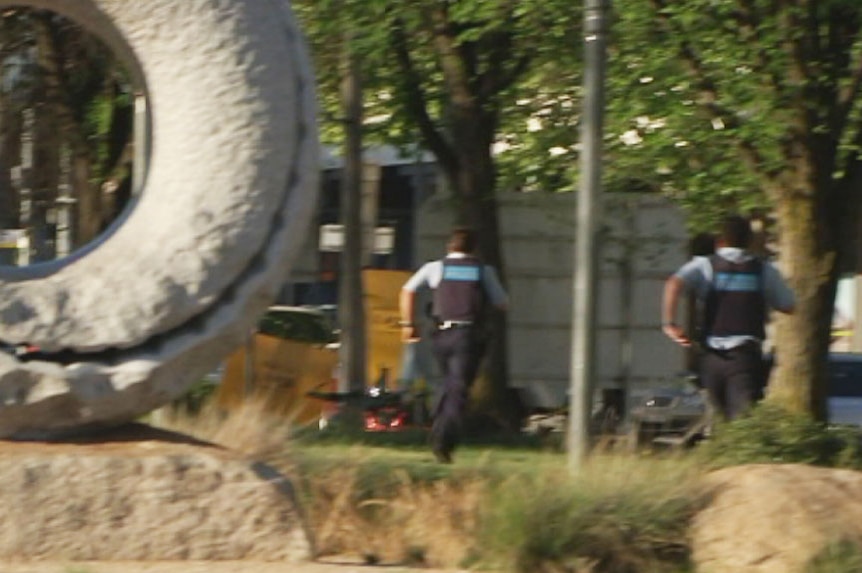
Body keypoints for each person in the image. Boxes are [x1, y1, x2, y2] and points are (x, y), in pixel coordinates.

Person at [661, 215, 794, 421]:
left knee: (714, 420)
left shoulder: (705, 266)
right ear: (750, 241)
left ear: (719, 241)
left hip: (710, 358)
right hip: (745, 358)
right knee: (742, 422)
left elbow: (673, 283)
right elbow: (789, 306)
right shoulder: (764, 270)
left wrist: (670, 323)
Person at [399, 227, 508, 463]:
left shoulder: (434, 268)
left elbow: (407, 290)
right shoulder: (483, 271)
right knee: (457, 389)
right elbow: (502, 304)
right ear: (474, 249)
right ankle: (443, 441)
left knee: (447, 385)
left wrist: (408, 324)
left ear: (450, 247)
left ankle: (438, 428)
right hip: (467, 336)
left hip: (440, 335)